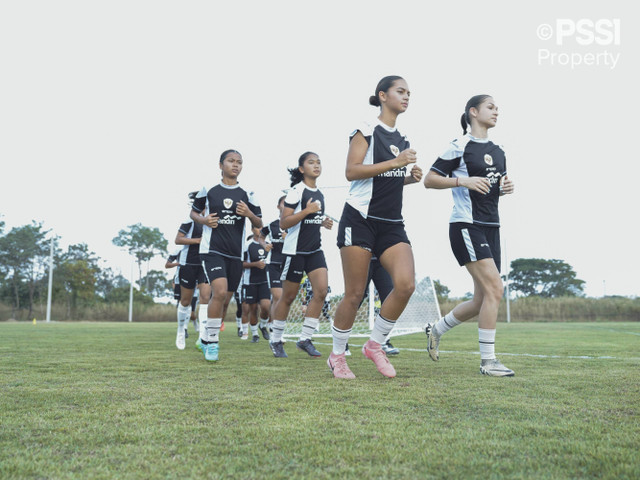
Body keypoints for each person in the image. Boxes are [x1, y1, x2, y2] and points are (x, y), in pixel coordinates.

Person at [329, 75, 423, 379]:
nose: (406, 96)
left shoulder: (403, 139)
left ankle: (374, 345)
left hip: (392, 223)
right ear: (383, 95)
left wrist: (409, 177)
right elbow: (351, 171)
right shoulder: (365, 130)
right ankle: (338, 356)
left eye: (409, 92)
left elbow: (387, 180)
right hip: (359, 219)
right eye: (400, 91)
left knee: (406, 284)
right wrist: (397, 164)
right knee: (355, 294)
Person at [423, 94, 515, 377]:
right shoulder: (458, 146)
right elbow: (429, 179)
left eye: (497, 108)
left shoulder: (499, 149)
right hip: (466, 225)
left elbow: (495, 186)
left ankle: (435, 330)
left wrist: (506, 186)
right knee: (495, 290)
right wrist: (462, 180)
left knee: (481, 300)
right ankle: (488, 362)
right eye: (490, 107)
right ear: (473, 112)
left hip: (492, 227)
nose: (496, 111)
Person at [190, 149, 263, 362]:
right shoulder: (209, 190)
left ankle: (204, 338)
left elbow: (259, 222)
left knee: (225, 299)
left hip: (235, 254)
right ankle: (212, 343)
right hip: (211, 250)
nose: (236, 165)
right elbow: (193, 213)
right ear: (221, 165)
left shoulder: (248, 193)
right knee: (219, 292)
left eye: (239, 162)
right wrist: (203, 220)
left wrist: (249, 214)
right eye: (231, 161)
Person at [270, 151, 333, 358]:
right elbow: (284, 222)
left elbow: (312, 219)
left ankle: (305, 339)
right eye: (311, 162)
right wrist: (307, 211)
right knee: (287, 297)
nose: (316, 165)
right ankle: (276, 340)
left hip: (314, 250)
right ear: (301, 169)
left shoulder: (320, 193)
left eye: (319, 162)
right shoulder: (296, 191)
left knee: (321, 292)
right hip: (294, 252)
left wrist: (323, 221)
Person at [174, 192, 212, 350]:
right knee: (185, 301)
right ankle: (181, 331)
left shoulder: (213, 221)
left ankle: (203, 335)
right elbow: (178, 239)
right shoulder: (190, 220)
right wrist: (198, 241)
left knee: (205, 297)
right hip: (188, 263)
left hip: (206, 263)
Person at [260, 195, 287, 335]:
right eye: (284, 203)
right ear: (278, 206)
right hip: (274, 264)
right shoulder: (272, 225)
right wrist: (265, 244)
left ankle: (272, 324)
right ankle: (276, 332)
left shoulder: (295, 225)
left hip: (289, 263)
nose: (287, 206)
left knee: (286, 298)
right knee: (278, 296)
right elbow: (261, 235)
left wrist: (288, 238)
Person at [242, 227, 271, 342]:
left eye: (261, 227)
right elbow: (241, 264)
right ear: (252, 229)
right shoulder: (247, 245)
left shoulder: (268, 245)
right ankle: (255, 335)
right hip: (250, 281)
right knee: (253, 309)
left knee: (266, 306)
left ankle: (263, 325)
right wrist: (255, 264)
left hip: (265, 280)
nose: (259, 230)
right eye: (256, 227)